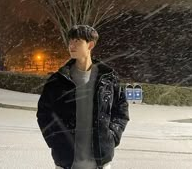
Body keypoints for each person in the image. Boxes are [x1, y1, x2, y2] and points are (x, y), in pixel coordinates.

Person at [37, 25, 129, 169]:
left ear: (90, 45)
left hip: (101, 162)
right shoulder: (58, 80)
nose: (71, 46)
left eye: (77, 41)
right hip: (66, 162)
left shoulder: (108, 79)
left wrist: (112, 136)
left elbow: (121, 110)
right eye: (70, 41)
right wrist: (55, 140)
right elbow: (44, 114)